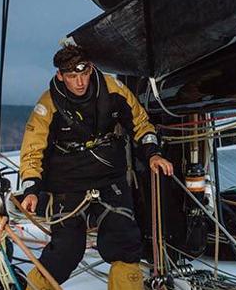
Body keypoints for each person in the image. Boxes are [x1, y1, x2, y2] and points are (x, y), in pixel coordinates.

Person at [19, 45, 173, 290]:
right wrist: (30, 190)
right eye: (71, 76)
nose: (79, 82)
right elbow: (32, 150)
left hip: (109, 178)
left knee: (125, 241)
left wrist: (153, 154)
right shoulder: (48, 105)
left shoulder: (113, 90)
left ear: (91, 68)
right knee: (65, 252)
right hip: (68, 184)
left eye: (84, 73)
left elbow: (141, 124)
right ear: (60, 76)